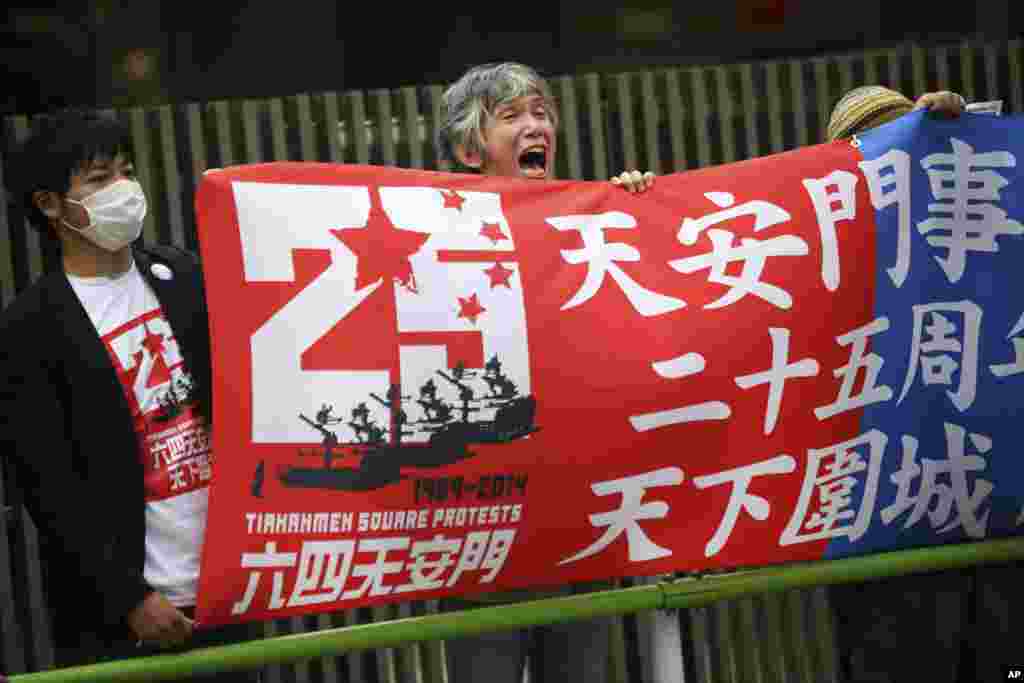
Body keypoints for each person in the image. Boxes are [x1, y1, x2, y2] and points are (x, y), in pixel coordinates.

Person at [0, 110, 261, 679]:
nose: (123, 190)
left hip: (226, 591)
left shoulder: (180, 274)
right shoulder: (33, 327)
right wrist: (127, 598)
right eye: (98, 180)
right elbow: (49, 488)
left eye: (125, 171)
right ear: (49, 204)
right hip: (129, 619)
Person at [436, 61, 653, 683]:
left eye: (541, 113)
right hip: (481, 532)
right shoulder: (432, 228)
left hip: (580, 526)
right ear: (466, 148)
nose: (535, 126)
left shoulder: (595, 221)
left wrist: (640, 207)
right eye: (511, 117)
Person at [825, 85, 1020, 683]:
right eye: (873, 148)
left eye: (904, 141)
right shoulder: (822, 259)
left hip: (994, 530)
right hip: (882, 540)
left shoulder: (989, 243)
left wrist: (955, 130)